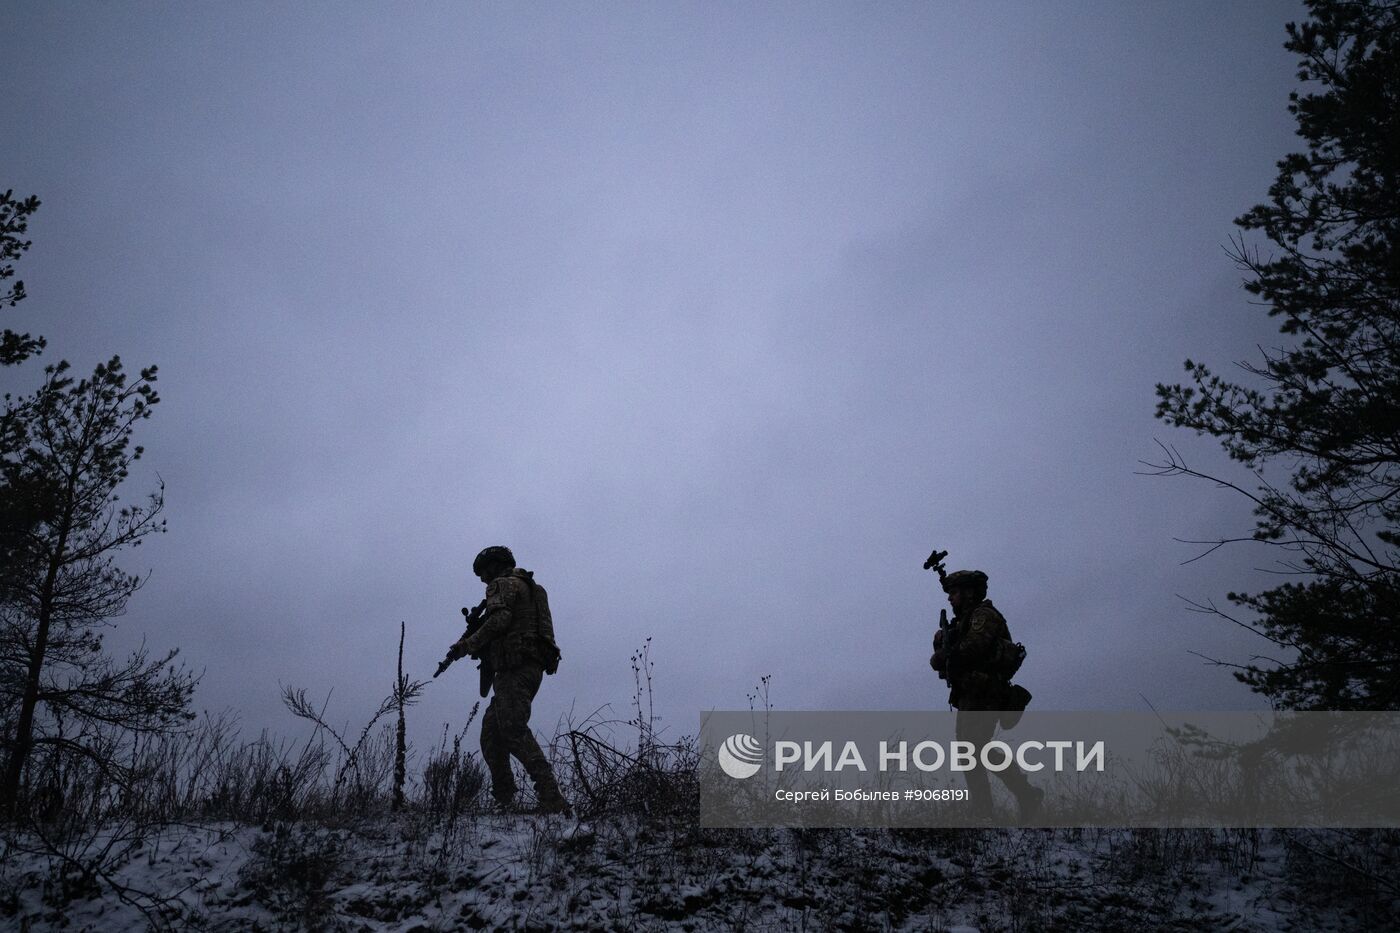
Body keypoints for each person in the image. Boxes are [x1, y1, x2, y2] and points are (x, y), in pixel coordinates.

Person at [438, 546, 571, 816]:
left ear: (493, 567)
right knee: (491, 733)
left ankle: (551, 797)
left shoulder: (502, 585)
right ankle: (504, 798)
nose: (483, 580)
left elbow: (500, 620)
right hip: (531, 668)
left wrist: (466, 644)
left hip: (515, 668)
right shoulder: (533, 588)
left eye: (483, 573)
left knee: (512, 730)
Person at [931, 568, 1042, 822]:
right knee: (972, 750)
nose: (950, 598)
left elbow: (974, 648)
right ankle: (1023, 795)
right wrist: (941, 645)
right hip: (969, 693)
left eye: (955, 593)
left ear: (969, 593)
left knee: (973, 750)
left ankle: (986, 811)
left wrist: (945, 654)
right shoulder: (962, 621)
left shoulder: (984, 615)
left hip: (986, 692)